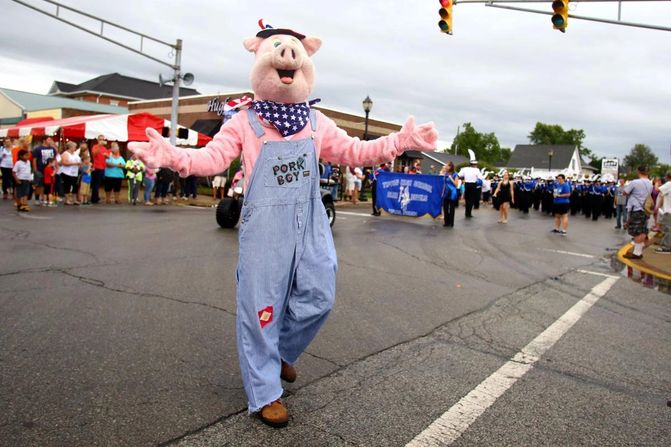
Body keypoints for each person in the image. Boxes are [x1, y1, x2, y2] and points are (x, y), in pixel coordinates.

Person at [622, 166, 653, 260]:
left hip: (636, 208)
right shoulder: (650, 183)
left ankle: (636, 253)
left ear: (638, 171)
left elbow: (625, 192)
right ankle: (638, 252)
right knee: (643, 230)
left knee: (636, 232)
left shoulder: (635, 182)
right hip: (645, 209)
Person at [31, 137, 58, 206]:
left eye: (51, 140)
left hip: (49, 169)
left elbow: (55, 159)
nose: (50, 141)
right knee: (39, 185)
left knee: (47, 185)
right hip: (40, 169)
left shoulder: (53, 149)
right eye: (49, 140)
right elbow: (34, 159)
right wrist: (35, 169)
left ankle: (44, 198)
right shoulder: (38, 149)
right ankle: (37, 199)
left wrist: (56, 167)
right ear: (44, 140)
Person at [60, 141, 81, 205]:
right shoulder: (65, 154)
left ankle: (74, 200)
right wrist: (75, 163)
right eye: (74, 147)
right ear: (70, 147)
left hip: (75, 172)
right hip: (67, 172)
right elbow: (64, 162)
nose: (75, 148)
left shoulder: (75, 154)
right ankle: (67, 200)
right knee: (67, 186)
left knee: (75, 186)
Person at [654, 173, 671, 254]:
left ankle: (666, 247)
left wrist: (656, 183)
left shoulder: (669, 184)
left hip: (669, 211)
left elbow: (657, 190)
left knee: (667, 230)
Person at [91, 135, 110, 204]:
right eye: (100, 139)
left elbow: (108, 156)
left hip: (103, 167)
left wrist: (106, 156)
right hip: (97, 167)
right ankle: (94, 199)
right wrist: (99, 146)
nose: (101, 141)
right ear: (98, 140)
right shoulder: (95, 147)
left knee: (99, 183)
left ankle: (96, 196)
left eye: (102, 139)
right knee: (96, 184)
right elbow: (94, 153)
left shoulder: (104, 148)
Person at [441, 162, 459, 227]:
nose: (445, 166)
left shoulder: (455, 174)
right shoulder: (445, 173)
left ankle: (451, 223)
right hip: (445, 192)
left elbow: (456, 185)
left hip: (452, 193)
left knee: (451, 208)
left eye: (447, 165)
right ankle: (446, 222)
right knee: (445, 208)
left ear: (450, 167)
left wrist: (451, 179)